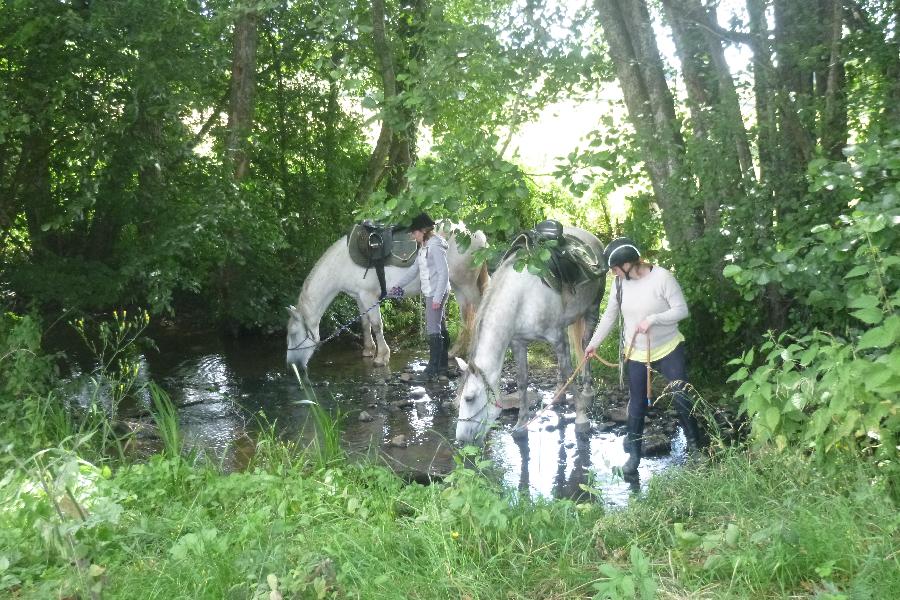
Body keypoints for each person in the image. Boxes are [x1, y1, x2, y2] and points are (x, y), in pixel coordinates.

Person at [584, 237, 704, 478]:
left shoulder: (662, 278)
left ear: (629, 263)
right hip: (636, 351)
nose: (613, 273)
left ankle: (695, 447)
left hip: (668, 346)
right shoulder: (619, 284)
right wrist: (593, 344)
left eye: (616, 268)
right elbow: (609, 316)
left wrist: (653, 319)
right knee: (637, 402)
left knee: (680, 394)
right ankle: (634, 458)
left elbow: (682, 310)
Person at [390, 212, 451, 381]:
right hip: (431, 291)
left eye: (414, 232)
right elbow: (413, 271)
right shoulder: (424, 247)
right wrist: (397, 286)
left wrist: (437, 298)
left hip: (436, 292)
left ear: (423, 231)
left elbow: (444, 273)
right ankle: (442, 366)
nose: (412, 235)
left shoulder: (435, 246)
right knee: (440, 326)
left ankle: (431, 370)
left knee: (433, 329)